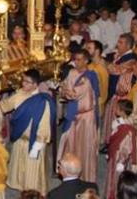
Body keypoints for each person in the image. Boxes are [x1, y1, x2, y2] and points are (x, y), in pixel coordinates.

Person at [0, 69, 56, 194]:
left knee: (32, 176)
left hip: (34, 143)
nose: (23, 84)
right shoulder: (18, 95)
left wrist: (38, 145)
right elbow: (3, 106)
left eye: (27, 82)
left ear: (35, 85)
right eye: (23, 81)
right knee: (19, 171)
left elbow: (44, 125)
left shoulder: (42, 102)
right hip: (20, 140)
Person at [57, 49, 100, 182]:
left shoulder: (89, 77)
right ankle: (69, 172)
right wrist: (63, 89)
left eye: (80, 59)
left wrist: (64, 90)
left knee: (84, 146)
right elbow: (63, 87)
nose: (76, 62)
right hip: (73, 115)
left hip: (86, 117)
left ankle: (86, 176)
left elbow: (73, 94)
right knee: (70, 143)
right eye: (75, 59)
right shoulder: (72, 72)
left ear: (86, 61)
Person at [104, 100, 136, 199]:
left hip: (119, 157)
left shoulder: (127, 128)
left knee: (117, 177)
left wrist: (121, 162)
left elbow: (126, 147)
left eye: (117, 108)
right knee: (112, 175)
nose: (114, 109)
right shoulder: (118, 122)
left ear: (122, 111)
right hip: (114, 152)